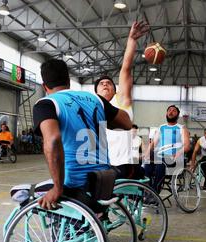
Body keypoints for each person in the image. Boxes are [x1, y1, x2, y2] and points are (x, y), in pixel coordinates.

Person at [32, 58, 132, 211]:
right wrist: (103, 118)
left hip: (75, 184)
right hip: (104, 179)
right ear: (69, 81)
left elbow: (52, 140)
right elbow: (126, 122)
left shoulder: (46, 104)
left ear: (44, 86)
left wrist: (57, 188)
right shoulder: (95, 99)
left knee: (22, 192)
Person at [94, 21, 150, 180]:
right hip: (100, 162)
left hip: (122, 163)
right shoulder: (92, 105)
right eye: (101, 83)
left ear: (115, 89)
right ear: (96, 91)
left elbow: (125, 68)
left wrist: (132, 40)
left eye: (109, 83)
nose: (105, 84)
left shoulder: (121, 100)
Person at [144, 105, 191, 193]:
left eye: (174, 111)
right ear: (166, 113)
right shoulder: (161, 127)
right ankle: (147, 192)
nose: (171, 112)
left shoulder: (181, 128)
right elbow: (153, 143)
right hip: (160, 156)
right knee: (147, 166)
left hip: (174, 158)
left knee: (160, 165)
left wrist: (179, 153)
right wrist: (146, 154)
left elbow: (187, 146)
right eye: (169, 110)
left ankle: (155, 194)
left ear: (178, 115)